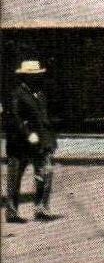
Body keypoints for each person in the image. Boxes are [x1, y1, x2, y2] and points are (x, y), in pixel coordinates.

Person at [5, 60, 58, 222]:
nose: (36, 78)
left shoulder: (40, 94)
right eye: (33, 76)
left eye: (38, 75)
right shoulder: (17, 94)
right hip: (20, 144)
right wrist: (28, 134)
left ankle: (41, 208)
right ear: (25, 76)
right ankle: (12, 212)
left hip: (40, 143)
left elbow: (44, 120)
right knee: (15, 178)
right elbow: (15, 118)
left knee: (44, 174)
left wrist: (50, 141)